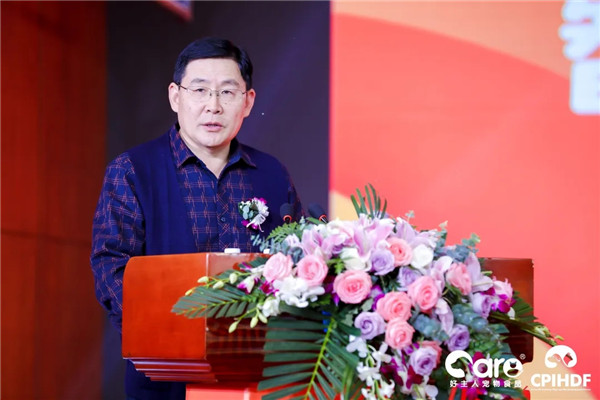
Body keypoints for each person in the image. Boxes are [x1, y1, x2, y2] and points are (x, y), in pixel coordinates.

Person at [90, 37, 303, 400]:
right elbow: (111, 267)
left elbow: (298, 260)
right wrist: (171, 335)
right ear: (176, 97)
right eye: (200, 90)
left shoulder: (272, 174)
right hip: (165, 377)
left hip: (257, 377)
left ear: (248, 101)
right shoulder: (132, 171)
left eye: (227, 92)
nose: (213, 106)